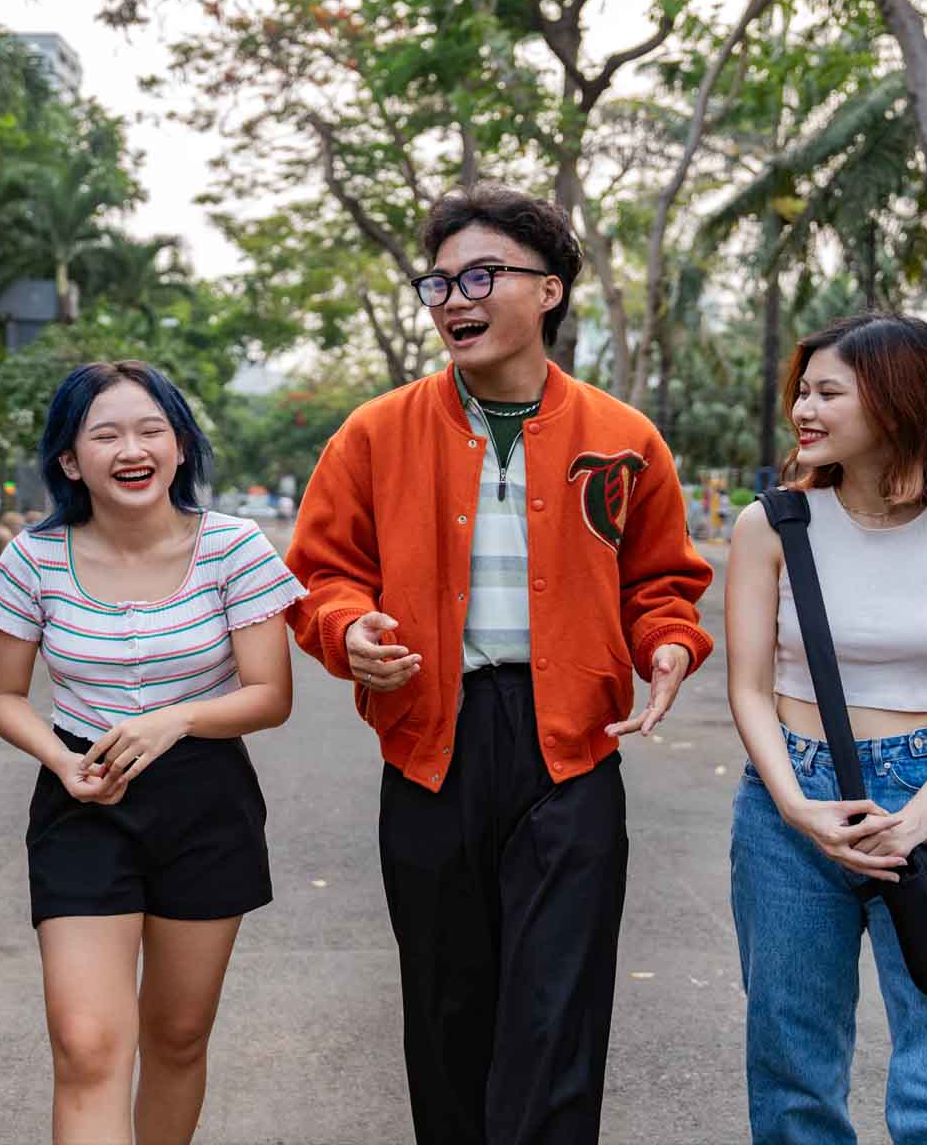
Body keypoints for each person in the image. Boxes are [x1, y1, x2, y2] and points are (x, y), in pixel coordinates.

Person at [286, 182, 713, 1145]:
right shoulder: (375, 432)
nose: (452, 301)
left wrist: (669, 646)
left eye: (479, 275)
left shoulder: (625, 438)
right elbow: (319, 576)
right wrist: (349, 631)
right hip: (431, 748)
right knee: (447, 1011)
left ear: (549, 290)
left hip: (572, 749)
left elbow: (661, 582)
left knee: (558, 1011)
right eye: (436, 284)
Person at [0, 360, 304, 1145]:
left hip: (207, 799)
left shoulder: (234, 548)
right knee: (87, 1045)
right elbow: (2, 696)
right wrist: (61, 761)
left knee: (179, 1036)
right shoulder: (35, 558)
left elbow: (270, 695)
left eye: (153, 429)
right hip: (84, 799)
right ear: (69, 460)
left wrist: (177, 721)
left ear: (181, 448)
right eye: (107, 434)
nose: (133, 448)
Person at [725, 313, 927, 1144]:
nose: (803, 410)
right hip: (790, 801)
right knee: (793, 1058)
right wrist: (795, 807)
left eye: (828, 392)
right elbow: (748, 689)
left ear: (899, 401)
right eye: (802, 391)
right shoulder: (772, 524)